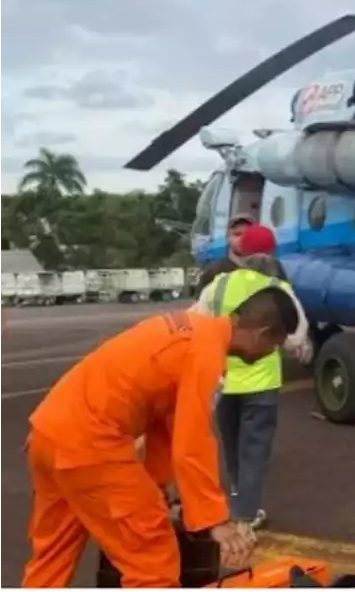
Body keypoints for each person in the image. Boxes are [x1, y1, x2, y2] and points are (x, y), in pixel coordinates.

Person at [21, 281, 300, 587]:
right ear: (262, 334)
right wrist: (215, 522)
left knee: (53, 555)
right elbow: (193, 443)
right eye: (274, 346)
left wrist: (156, 487)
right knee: (152, 556)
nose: (269, 354)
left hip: (49, 433)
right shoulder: (206, 354)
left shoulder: (188, 329)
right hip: (89, 444)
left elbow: (164, 420)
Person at [193, 257, 311, 532]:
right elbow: (295, 337)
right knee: (254, 451)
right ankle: (246, 513)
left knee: (232, 447)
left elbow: (197, 321)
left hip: (224, 382)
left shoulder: (219, 285)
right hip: (261, 382)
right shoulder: (277, 289)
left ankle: (236, 499)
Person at [196, 215, 269, 291]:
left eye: (248, 234)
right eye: (237, 234)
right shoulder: (214, 272)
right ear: (227, 238)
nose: (243, 238)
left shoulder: (267, 270)